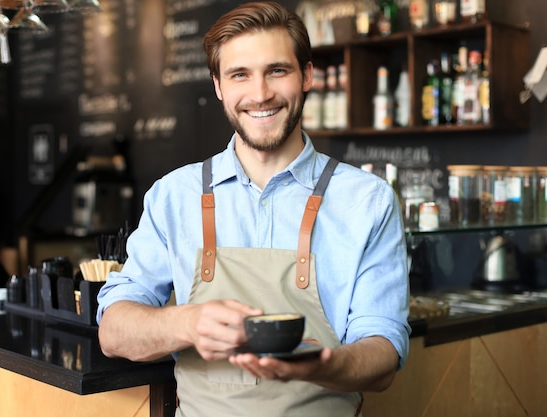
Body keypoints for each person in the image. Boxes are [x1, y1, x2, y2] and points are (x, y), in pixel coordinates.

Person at [97, 2, 411, 416]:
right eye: (240, 74)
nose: (260, 94)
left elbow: (384, 352)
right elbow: (114, 331)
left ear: (307, 76)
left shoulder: (369, 201)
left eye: (277, 71)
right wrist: (186, 324)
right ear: (218, 86)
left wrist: (327, 364)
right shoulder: (173, 195)